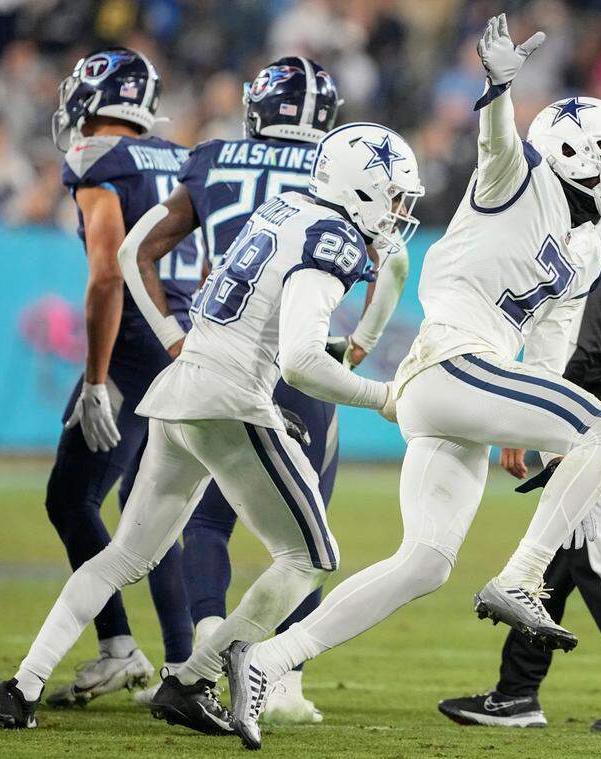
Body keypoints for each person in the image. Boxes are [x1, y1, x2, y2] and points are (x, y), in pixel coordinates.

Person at [219, 14, 601, 750]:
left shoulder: (587, 251)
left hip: (467, 390)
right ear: (568, 147)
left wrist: (526, 437)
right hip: (453, 362)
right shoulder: (523, 177)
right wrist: (499, 88)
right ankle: (522, 577)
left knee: (424, 562)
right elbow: (497, 142)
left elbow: (547, 354)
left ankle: (269, 659)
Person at [0, 121, 419, 734]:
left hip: (182, 389)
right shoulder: (332, 240)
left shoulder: (283, 208)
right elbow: (301, 360)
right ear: (362, 189)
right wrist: (385, 396)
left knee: (126, 553)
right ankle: (192, 681)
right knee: (312, 557)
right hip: (231, 403)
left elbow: (272, 325)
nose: (399, 212)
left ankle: (19, 687)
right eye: (396, 196)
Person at [117, 56, 408, 723]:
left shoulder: (218, 157)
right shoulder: (339, 180)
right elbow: (391, 264)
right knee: (309, 539)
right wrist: (362, 349)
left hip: (211, 353)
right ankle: (276, 677)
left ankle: (189, 657)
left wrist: (172, 333)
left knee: (206, 523)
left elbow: (139, 248)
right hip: (287, 368)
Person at [437, 129, 601, 735]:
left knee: (596, 559)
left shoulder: (600, 236)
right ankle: (515, 692)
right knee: (560, 554)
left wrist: (547, 419)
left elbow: (583, 339)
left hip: (599, 411)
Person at [30, 47, 199, 710]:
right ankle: (184, 661)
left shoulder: (98, 158)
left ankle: (120, 648)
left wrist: (98, 378)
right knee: (149, 509)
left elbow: (106, 273)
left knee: (71, 499)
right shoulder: (182, 156)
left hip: (131, 349)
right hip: (184, 342)